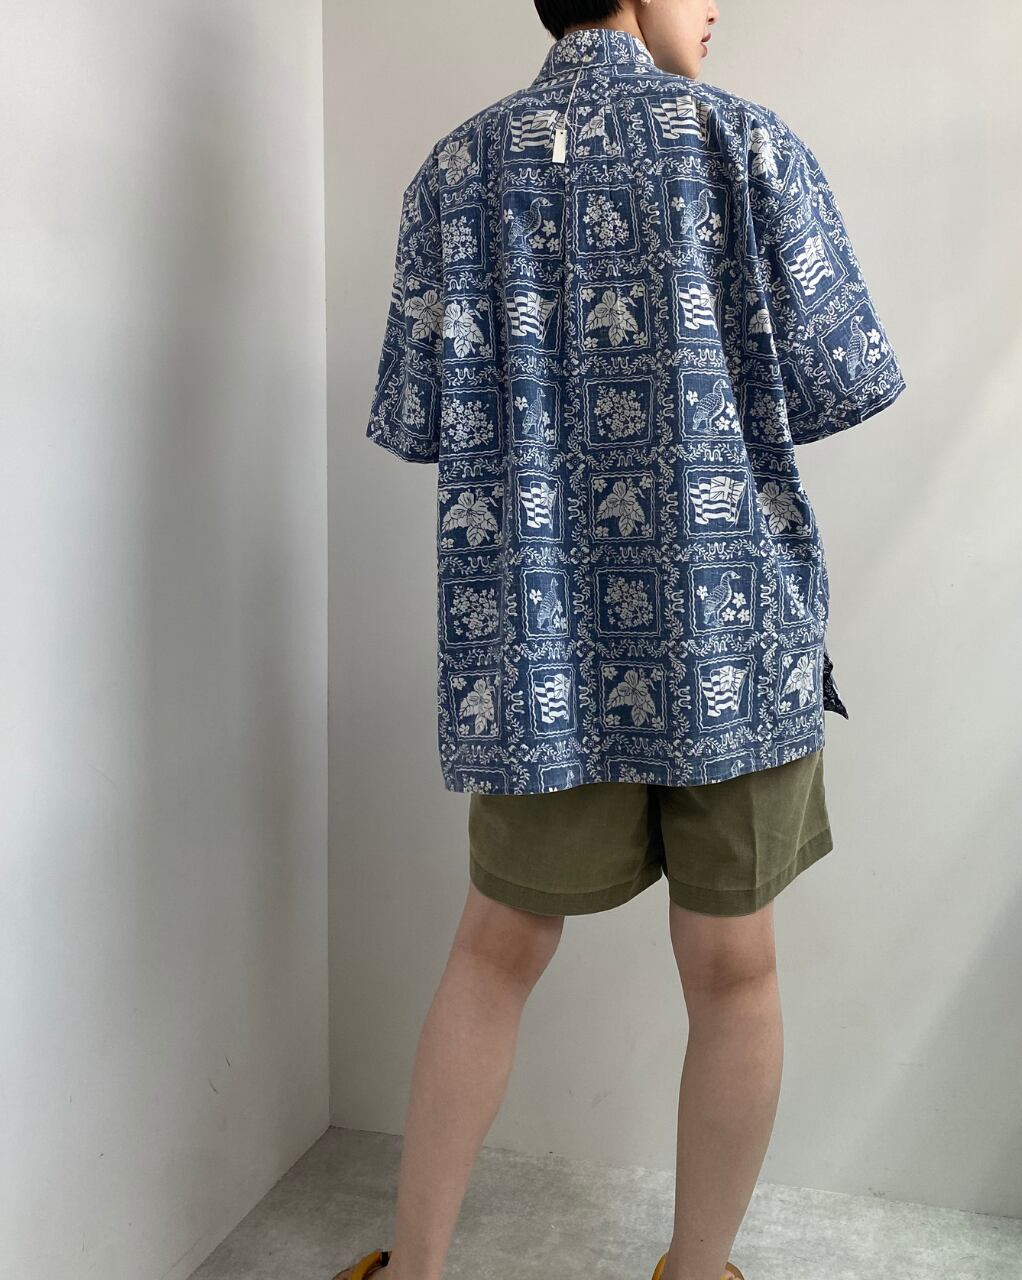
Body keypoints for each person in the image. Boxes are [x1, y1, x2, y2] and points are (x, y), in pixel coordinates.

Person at [340, 2, 906, 1278]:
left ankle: (413, 1269)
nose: (716, 7)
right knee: (735, 969)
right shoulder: (746, 144)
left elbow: (418, 417)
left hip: (540, 645)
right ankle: (695, 1273)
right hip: (732, 637)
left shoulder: (455, 171)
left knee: (493, 949)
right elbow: (844, 377)